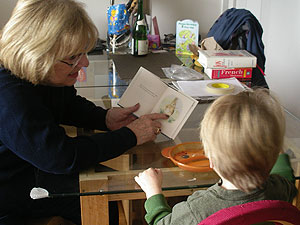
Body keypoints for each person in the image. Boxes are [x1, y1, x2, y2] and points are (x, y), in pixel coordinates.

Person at [0, 0, 168, 224]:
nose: (85, 62)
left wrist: (105, 118)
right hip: (10, 190)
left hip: (31, 164)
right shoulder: (8, 96)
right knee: (102, 199)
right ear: (38, 55)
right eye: (73, 57)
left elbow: (68, 104)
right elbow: (61, 156)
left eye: (83, 53)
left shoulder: (38, 73)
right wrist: (132, 135)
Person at [134, 89, 298, 225]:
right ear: (274, 155)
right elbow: (286, 177)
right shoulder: (280, 189)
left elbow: (162, 223)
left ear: (210, 160)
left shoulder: (198, 210)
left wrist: (153, 192)